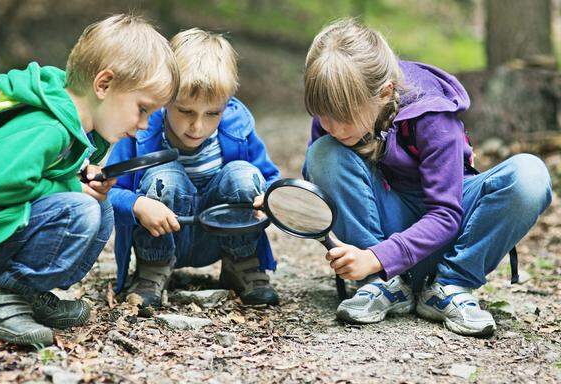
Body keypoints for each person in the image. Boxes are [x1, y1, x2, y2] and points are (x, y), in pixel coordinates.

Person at [0, 14, 179, 345]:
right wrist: (70, 186)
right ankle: (1, 298)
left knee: (99, 207)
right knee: (80, 209)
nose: (143, 124)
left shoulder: (71, 127)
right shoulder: (47, 126)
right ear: (104, 84)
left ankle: (25, 293)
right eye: (142, 109)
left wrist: (81, 176)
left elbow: (44, 177)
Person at [302, 18, 551, 336]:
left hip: (449, 234)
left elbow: (446, 215)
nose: (331, 126)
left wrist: (377, 257)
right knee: (323, 152)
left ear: (384, 93)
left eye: (342, 117)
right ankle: (383, 287)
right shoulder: (332, 120)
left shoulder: (431, 115)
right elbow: (324, 191)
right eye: (322, 114)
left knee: (530, 175)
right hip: (383, 238)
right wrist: (283, 203)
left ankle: (449, 287)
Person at [108, 28, 281, 308]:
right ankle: (153, 270)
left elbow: (271, 178)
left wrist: (270, 199)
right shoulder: (141, 132)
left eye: (212, 113)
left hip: (219, 235)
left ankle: (241, 263)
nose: (197, 126)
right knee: (165, 174)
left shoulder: (237, 128)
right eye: (186, 111)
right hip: (162, 234)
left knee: (243, 174)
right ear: (165, 99)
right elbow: (109, 193)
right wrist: (138, 204)